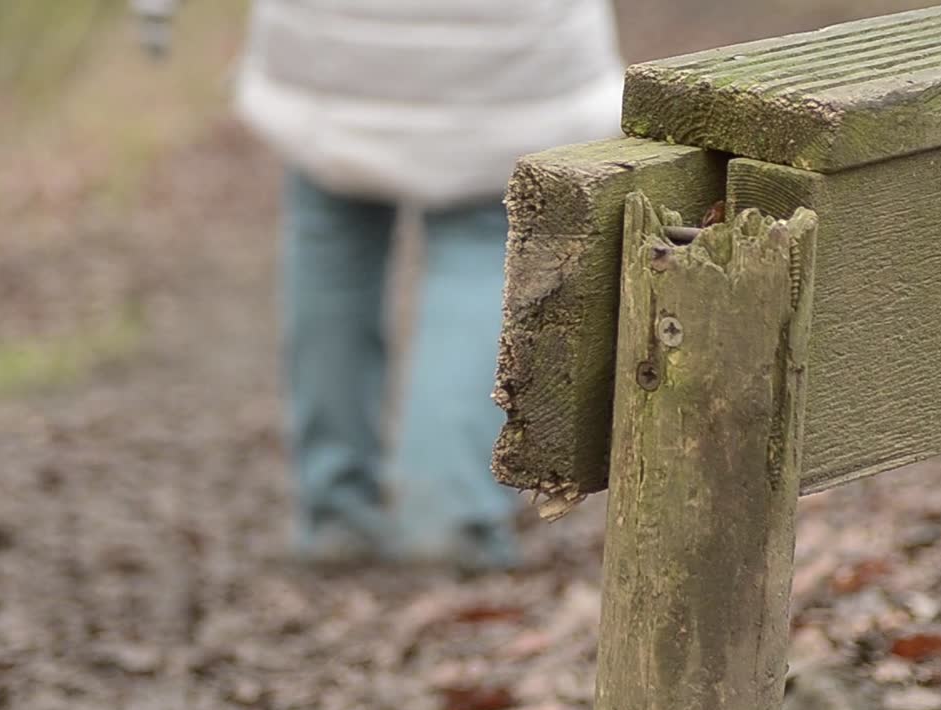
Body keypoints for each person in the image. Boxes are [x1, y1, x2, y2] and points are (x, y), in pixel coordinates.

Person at [133, 0, 625, 570]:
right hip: (506, 52)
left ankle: (335, 511)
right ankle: (448, 513)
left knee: (331, 241)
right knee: (479, 249)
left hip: (328, 42)